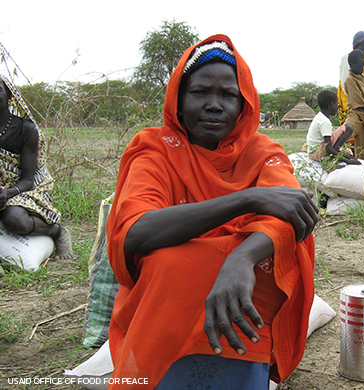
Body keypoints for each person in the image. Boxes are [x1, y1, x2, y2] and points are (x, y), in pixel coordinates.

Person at [106, 35, 319, 389]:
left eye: (229, 95)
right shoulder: (155, 150)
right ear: (178, 98)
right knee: (169, 265)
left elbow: (292, 210)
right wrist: (246, 199)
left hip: (241, 287)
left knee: (267, 262)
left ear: (244, 104)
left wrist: (240, 259)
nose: (214, 105)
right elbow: (136, 231)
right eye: (200, 92)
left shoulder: (262, 153)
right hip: (162, 314)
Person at [0, 75, 73, 260]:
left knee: (15, 220)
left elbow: (28, 180)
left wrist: (6, 194)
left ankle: (56, 231)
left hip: (24, 190)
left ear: (10, 97)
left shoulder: (26, 130)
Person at [306, 90, 359, 166]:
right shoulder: (324, 121)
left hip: (313, 152)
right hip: (318, 153)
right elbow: (328, 148)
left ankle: (336, 156)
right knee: (348, 128)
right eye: (337, 104)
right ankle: (333, 159)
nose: (338, 107)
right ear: (331, 105)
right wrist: (346, 160)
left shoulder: (319, 117)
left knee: (347, 151)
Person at [338, 31, 364, 125]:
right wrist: (357, 103)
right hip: (350, 101)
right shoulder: (348, 58)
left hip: (363, 101)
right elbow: (347, 87)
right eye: (362, 45)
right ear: (356, 45)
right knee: (351, 132)